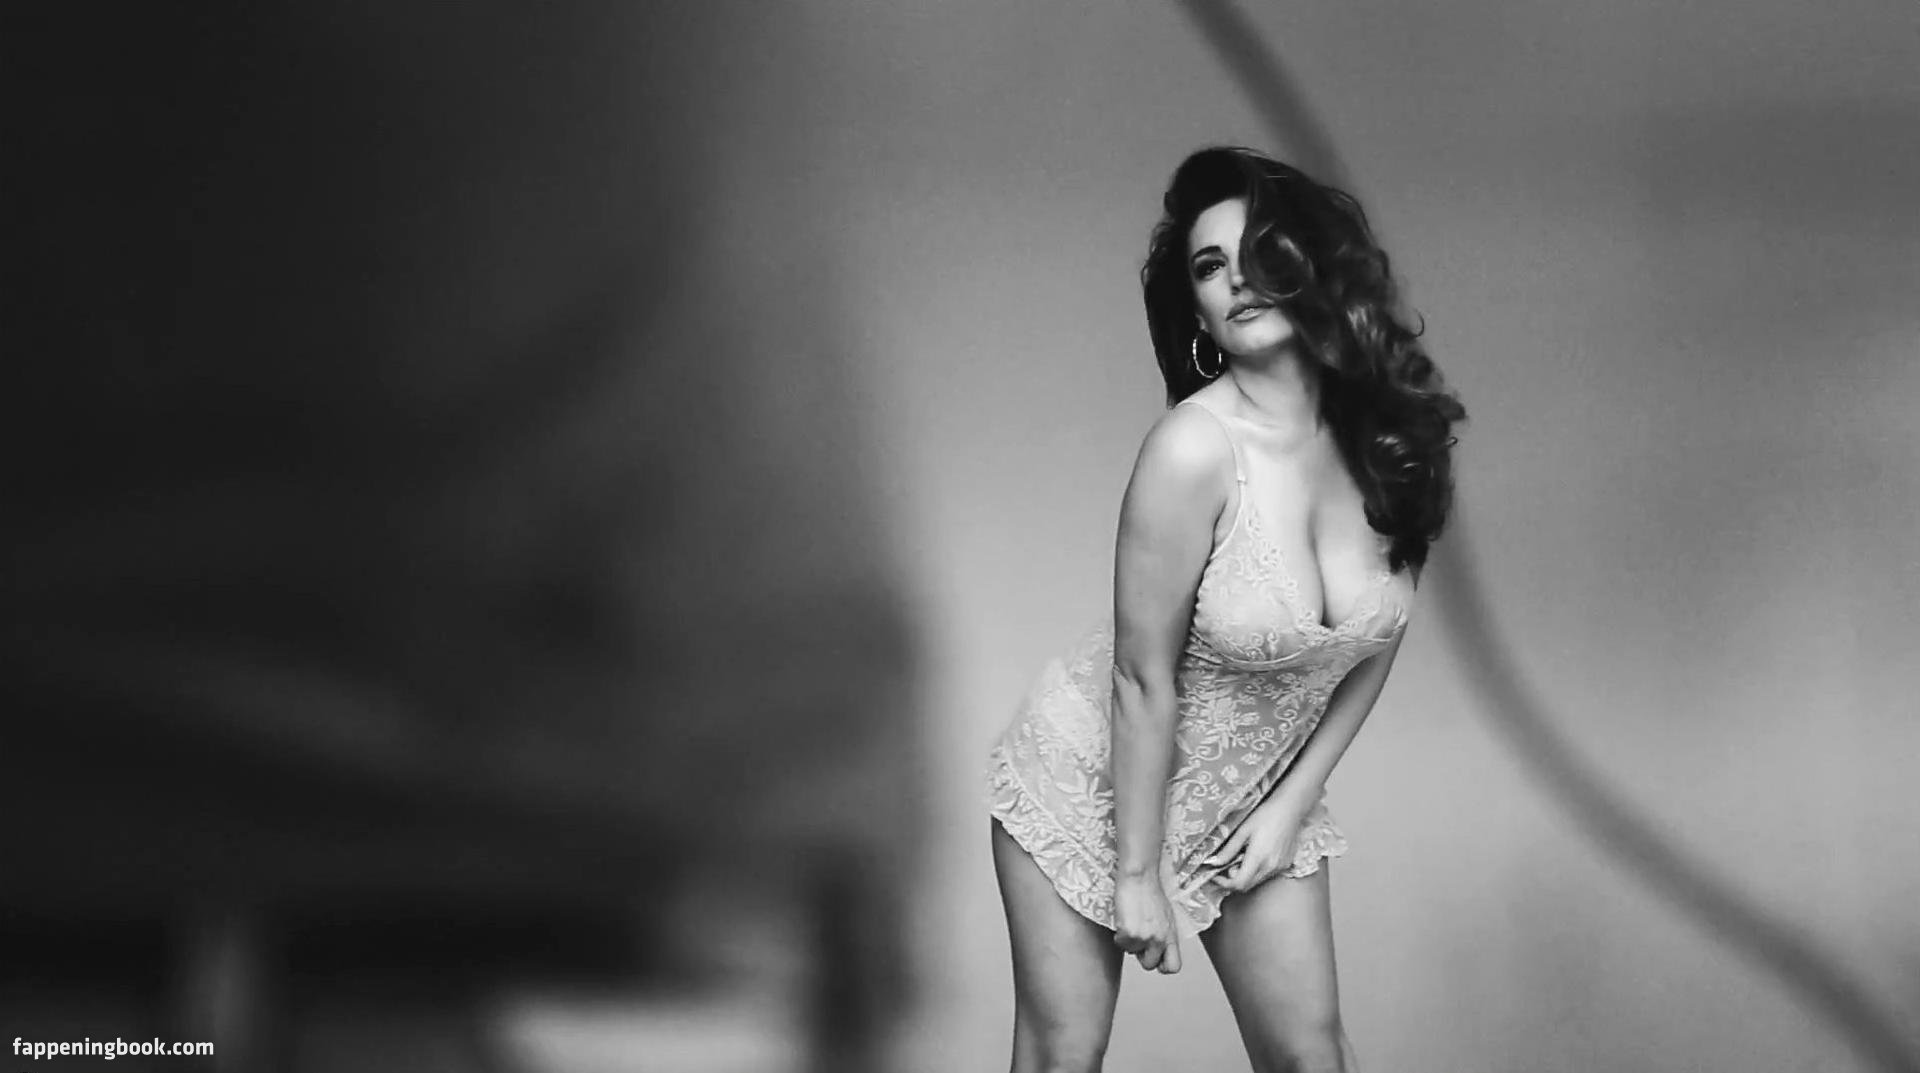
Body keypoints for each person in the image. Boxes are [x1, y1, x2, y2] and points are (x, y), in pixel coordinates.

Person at [984, 145, 1465, 1073]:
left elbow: (1375, 635)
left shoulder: (1387, 441)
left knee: (1311, 1057)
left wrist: (1291, 804)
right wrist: (1135, 875)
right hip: (1093, 783)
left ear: (1315, 265)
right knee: (1063, 1056)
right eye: (1210, 266)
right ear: (1198, 310)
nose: (1237, 278)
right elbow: (1140, 677)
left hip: (1253, 790)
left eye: (1261, 251)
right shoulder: (1193, 449)